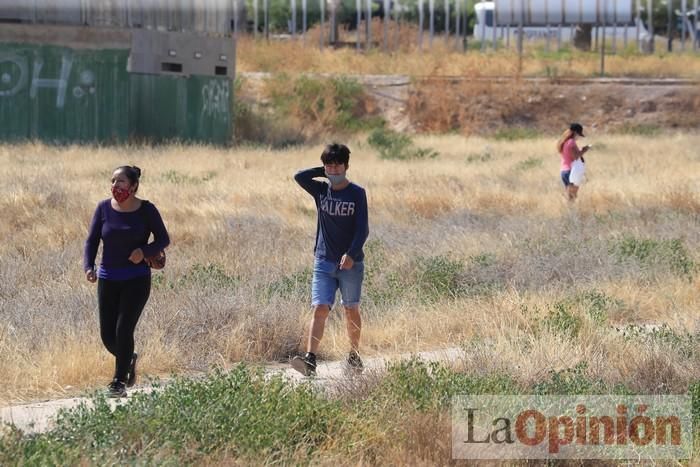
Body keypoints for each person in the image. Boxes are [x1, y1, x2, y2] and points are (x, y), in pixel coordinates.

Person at [83, 165, 170, 397]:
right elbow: (91, 241)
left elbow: (163, 239)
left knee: (123, 330)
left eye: (121, 182)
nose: (115, 186)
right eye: (113, 181)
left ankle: (118, 382)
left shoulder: (147, 210)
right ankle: (128, 358)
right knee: (107, 336)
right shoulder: (103, 208)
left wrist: (144, 251)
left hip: (136, 279)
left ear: (133, 186)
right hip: (107, 278)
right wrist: (88, 266)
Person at [291, 143, 369, 377]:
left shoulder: (357, 193)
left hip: (350, 265)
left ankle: (354, 356)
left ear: (347, 166)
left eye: (338, 166)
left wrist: (352, 254)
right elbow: (299, 176)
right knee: (319, 308)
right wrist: (323, 170)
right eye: (330, 166)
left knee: (350, 309)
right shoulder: (321, 190)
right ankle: (310, 360)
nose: (334, 171)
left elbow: (362, 229)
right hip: (323, 261)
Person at [557, 123, 591, 201]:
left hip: (564, 171)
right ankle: (571, 212)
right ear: (575, 132)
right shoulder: (571, 142)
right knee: (572, 197)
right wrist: (584, 150)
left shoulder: (564, 142)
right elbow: (576, 156)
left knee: (569, 195)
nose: (578, 137)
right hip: (571, 171)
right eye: (579, 134)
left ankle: (569, 211)